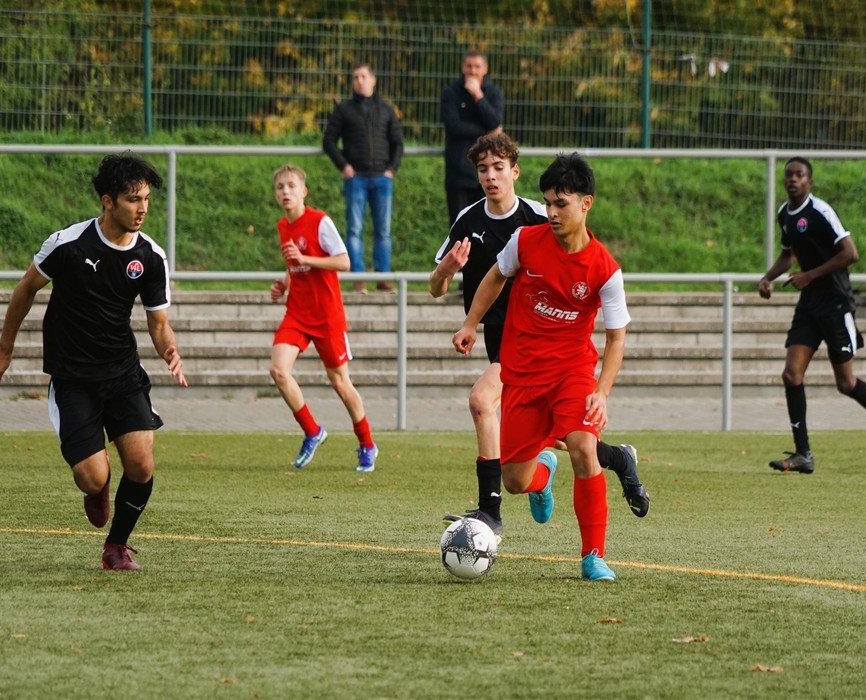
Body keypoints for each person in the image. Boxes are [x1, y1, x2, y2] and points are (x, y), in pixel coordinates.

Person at [431, 135, 648, 542]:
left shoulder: (537, 219)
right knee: (552, 449)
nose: (490, 176)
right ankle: (612, 459)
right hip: (508, 346)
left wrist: (600, 390)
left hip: (550, 353)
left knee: (486, 403)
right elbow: (440, 286)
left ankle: (493, 512)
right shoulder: (470, 220)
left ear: (514, 171)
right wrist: (461, 305)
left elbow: (606, 318)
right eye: (482, 169)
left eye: (498, 168)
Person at [0, 152, 187, 571]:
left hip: (123, 374)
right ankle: (98, 483)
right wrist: (5, 347)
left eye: (146, 199)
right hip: (73, 377)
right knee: (91, 476)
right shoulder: (69, 244)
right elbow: (25, 289)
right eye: (133, 199)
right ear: (108, 201)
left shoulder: (150, 256)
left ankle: (116, 546)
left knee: (142, 464)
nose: (143, 208)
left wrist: (170, 349)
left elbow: (159, 323)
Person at [758, 157, 866, 473]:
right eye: (789, 174)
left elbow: (850, 254)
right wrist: (768, 278)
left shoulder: (821, 211)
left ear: (809, 182)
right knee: (791, 374)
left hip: (836, 304)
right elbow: (788, 254)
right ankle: (803, 454)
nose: (792, 179)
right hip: (809, 305)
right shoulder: (784, 213)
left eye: (799, 175)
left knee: (845, 382)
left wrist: (810, 275)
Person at [268, 164, 378, 472]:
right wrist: (284, 284)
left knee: (340, 382)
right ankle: (312, 431)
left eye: (291, 186)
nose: (286, 191)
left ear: (303, 191)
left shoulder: (320, 221)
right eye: (280, 187)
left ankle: (367, 444)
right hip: (297, 313)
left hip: (327, 315)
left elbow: (344, 262)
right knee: (278, 370)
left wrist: (305, 259)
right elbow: (294, 264)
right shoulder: (283, 225)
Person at [322, 62, 404, 292]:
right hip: (355, 178)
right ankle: (358, 278)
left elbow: (398, 143)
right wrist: (344, 166)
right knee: (354, 230)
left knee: (383, 231)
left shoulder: (386, 110)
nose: (359, 81)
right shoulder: (344, 110)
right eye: (355, 77)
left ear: (373, 80)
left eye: (363, 76)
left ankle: (382, 277)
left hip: (382, 179)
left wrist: (391, 169)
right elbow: (329, 141)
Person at [441, 49, 504, 225]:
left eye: (477, 66)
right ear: (463, 67)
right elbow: (453, 126)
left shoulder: (494, 93)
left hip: (487, 172)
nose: (473, 71)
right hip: (458, 174)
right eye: (469, 66)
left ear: (485, 68)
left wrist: (478, 95)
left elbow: (495, 121)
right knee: (460, 228)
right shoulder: (451, 93)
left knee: (486, 227)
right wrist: (486, 132)